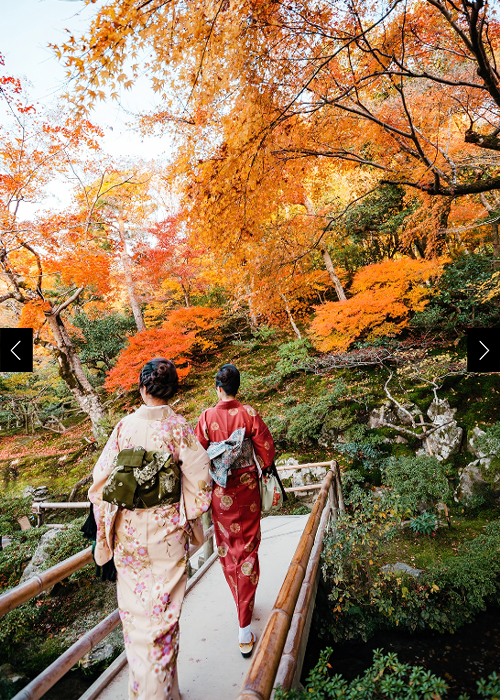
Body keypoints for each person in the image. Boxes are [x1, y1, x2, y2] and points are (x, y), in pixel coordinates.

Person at [88, 358, 212, 700]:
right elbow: (202, 481)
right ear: (172, 390)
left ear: (143, 387)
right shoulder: (178, 428)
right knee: (164, 621)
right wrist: (184, 514)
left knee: (137, 621)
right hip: (166, 534)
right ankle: (160, 694)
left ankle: (154, 691)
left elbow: (100, 483)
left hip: (128, 535)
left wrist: (107, 528)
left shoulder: (123, 427)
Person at [195, 363, 275, 657]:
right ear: (236, 387)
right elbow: (266, 449)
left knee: (228, 548)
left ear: (218, 387)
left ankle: (240, 605)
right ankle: (245, 620)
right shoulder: (249, 413)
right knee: (249, 547)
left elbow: (196, 457)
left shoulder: (206, 417)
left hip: (221, 491)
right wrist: (263, 465)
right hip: (247, 488)